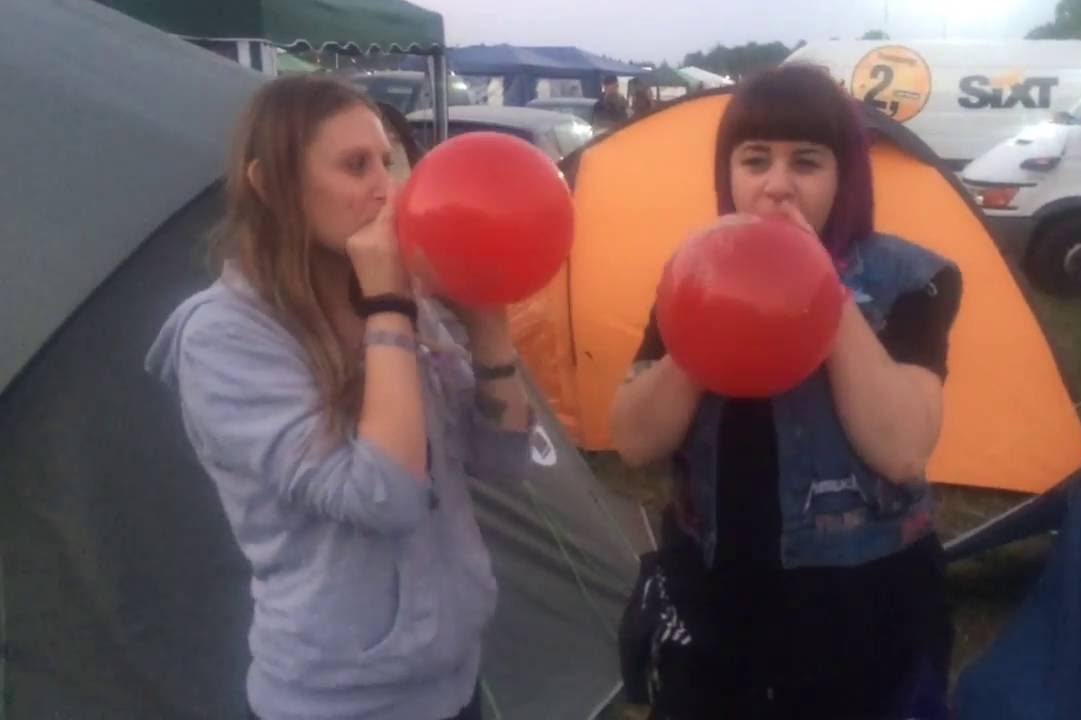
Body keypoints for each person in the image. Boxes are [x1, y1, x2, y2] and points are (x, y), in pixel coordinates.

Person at [145, 75, 532, 720]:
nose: (388, 189)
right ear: (272, 185)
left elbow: (503, 462)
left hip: (454, 680)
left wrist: (489, 330)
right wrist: (389, 309)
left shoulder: (398, 302)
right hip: (339, 700)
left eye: (387, 161)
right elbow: (387, 498)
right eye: (356, 166)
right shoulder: (223, 337)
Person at [612, 64, 961, 719]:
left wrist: (817, 284)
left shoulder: (913, 281)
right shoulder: (694, 271)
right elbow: (632, 441)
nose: (776, 186)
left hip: (859, 599)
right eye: (754, 160)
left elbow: (903, 451)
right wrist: (707, 315)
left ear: (843, 177)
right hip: (713, 589)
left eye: (806, 162)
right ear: (728, 174)